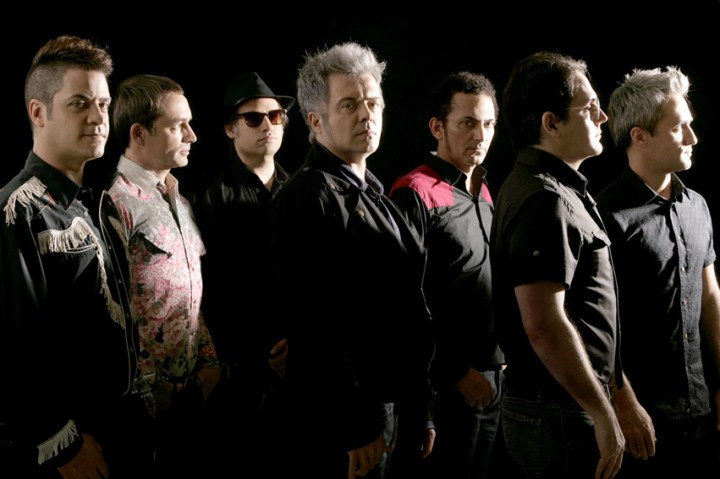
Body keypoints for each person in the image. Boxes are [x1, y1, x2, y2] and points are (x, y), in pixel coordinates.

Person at [269, 42, 435, 479]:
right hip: (349, 419)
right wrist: (356, 424)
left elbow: (404, 306)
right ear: (316, 121)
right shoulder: (308, 197)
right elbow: (317, 324)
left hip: (390, 404)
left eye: (373, 102)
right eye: (349, 105)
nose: (367, 115)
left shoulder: (373, 191)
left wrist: (420, 405)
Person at [0, 35, 143, 478]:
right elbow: (15, 345)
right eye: (80, 104)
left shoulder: (95, 205)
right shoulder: (18, 211)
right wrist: (61, 444)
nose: (98, 118)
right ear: (38, 112)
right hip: (70, 449)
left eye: (103, 104)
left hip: (121, 431)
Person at [489, 51, 625, 478]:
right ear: (551, 123)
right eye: (589, 107)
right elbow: (544, 324)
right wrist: (602, 412)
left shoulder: (551, 188)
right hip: (558, 414)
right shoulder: (545, 200)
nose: (603, 117)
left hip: (561, 408)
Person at [595, 66, 720, 478]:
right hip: (641, 419)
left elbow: (710, 299)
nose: (692, 138)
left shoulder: (697, 206)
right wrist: (623, 402)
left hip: (700, 410)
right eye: (679, 127)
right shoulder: (605, 216)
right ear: (640, 136)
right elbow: (595, 324)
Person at [100, 73, 221, 478]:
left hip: (191, 398)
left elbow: (189, 292)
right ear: (139, 133)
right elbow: (107, 312)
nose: (192, 135)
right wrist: (151, 388)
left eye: (190, 124)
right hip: (143, 410)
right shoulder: (114, 204)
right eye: (177, 126)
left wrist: (209, 364)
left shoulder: (179, 200)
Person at [389, 71, 506, 479]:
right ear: (437, 127)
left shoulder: (484, 192)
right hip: (445, 387)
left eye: (488, 123)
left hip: (491, 378)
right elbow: (401, 301)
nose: (481, 135)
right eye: (468, 123)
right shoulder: (414, 191)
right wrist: (453, 372)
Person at [188, 71, 294, 476]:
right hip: (238, 372)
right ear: (230, 129)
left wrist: (298, 336)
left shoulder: (303, 190)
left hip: (301, 366)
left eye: (276, 116)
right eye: (253, 118)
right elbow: (210, 290)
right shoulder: (208, 198)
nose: (267, 125)